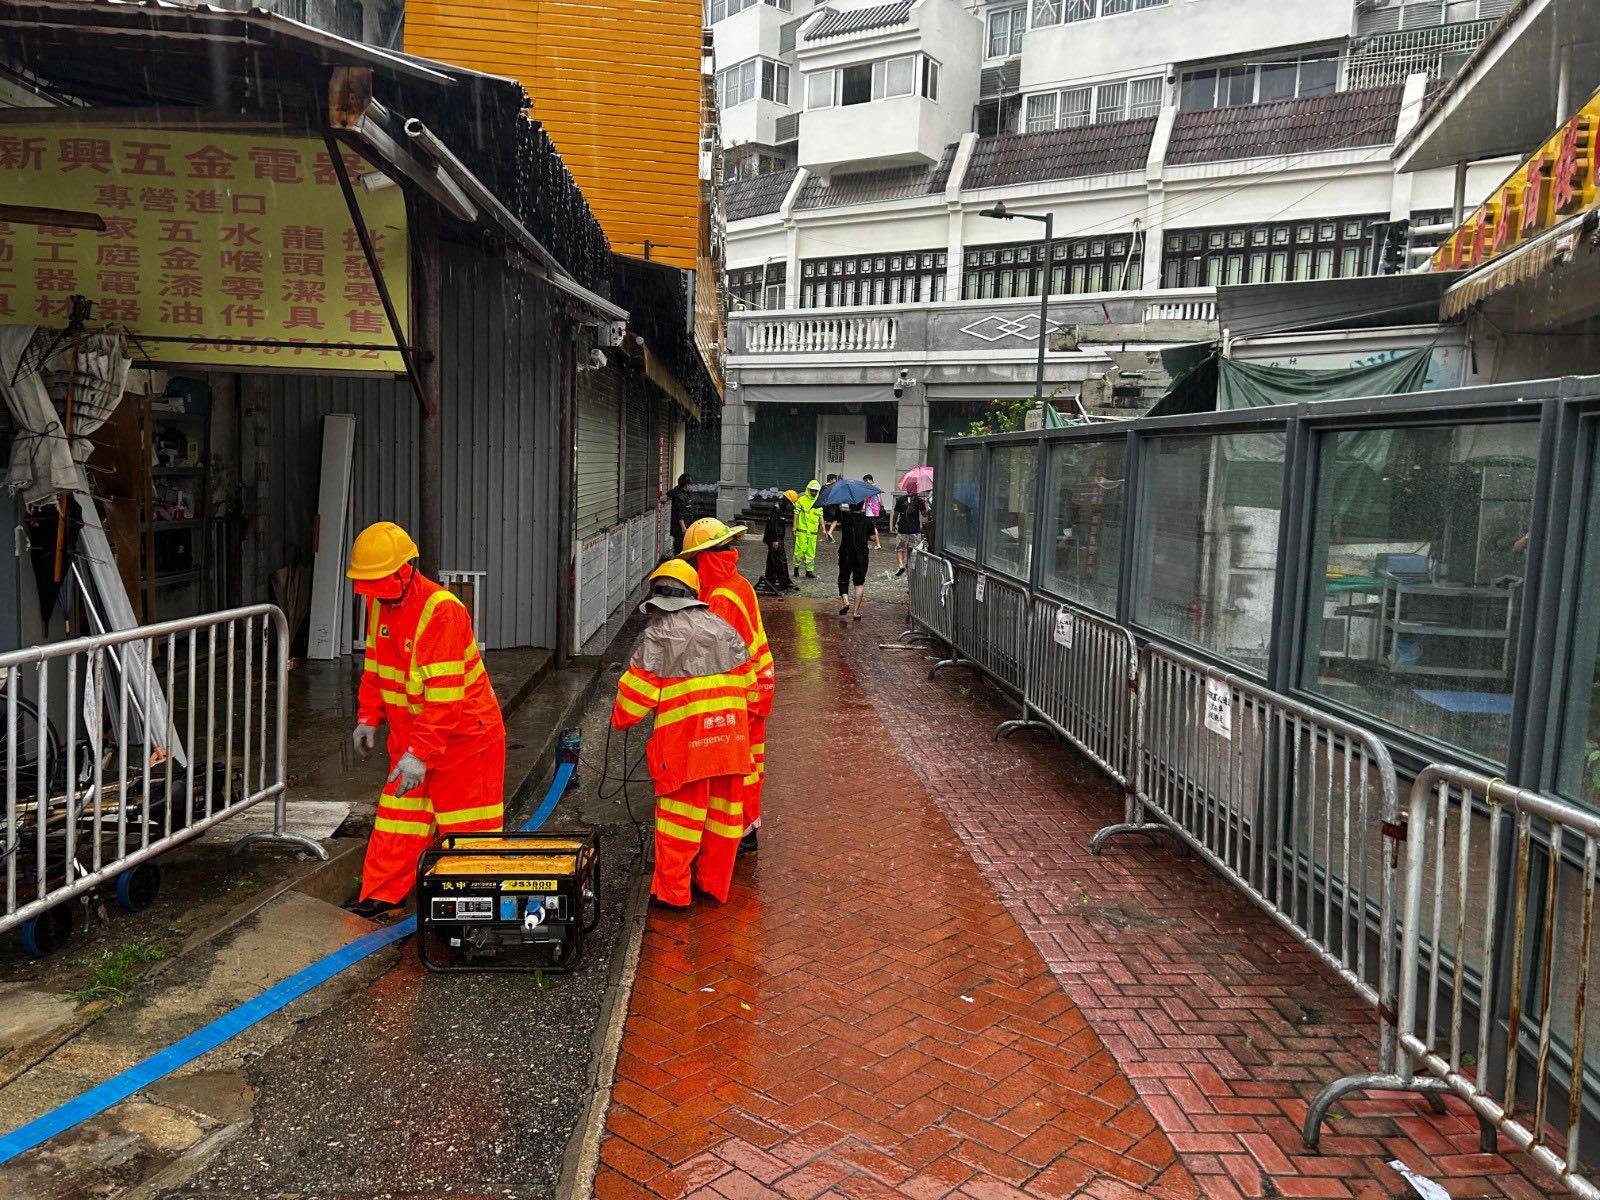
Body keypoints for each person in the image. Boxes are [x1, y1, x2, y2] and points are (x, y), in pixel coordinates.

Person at [345, 521, 506, 918]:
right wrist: (368, 715)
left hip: (466, 740)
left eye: (380, 581)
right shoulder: (379, 602)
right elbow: (375, 666)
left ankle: (472, 913)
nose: (373, 591)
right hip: (414, 736)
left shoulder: (442, 611)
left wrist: (419, 753)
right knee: (398, 819)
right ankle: (382, 896)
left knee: (468, 832)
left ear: (407, 570)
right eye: (368, 584)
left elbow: (446, 699)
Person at [610, 561, 753, 907]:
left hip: (686, 749)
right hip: (731, 743)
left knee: (679, 823)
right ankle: (713, 885)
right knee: (722, 820)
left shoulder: (659, 636)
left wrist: (620, 719)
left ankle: (673, 894)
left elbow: (631, 705)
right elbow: (749, 687)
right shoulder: (724, 628)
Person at [681, 517, 774, 855]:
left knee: (736, 767)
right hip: (757, 687)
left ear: (705, 558)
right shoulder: (739, 584)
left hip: (741, 694)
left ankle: (740, 833)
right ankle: (747, 827)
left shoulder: (721, 598)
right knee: (751, 762)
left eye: (695, 560)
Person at [836, 501, 874, 620]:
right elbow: (873, 537)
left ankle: (846, 602)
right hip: (861, 555)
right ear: (862, 506)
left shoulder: (845, 517)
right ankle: (855, 612)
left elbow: (834, 515)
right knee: (859, 583)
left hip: (846, 553)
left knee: (843, 579)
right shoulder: (867, 520)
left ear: (850, 506)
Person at [755, 490, 797, 596]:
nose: (790, 506)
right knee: (780, 560)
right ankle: (784, 582)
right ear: (787, 501)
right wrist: (775, 540)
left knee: (772, 559)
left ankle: (771, 579)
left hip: (777, 538)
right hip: (775, 539)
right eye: (790, 504)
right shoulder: (777, 508)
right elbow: (773, 525)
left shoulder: (781, 508)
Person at [892, 489, 929, 576]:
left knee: (900, 549)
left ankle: (901, 565)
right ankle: (909, 572)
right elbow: (925, 514)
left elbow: (895, 514)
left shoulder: (900, 499)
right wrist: (926, 504)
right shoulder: (919, 500)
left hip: (902, 529)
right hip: (914, 530)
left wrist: (893, 525)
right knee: (912, 551)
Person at [792, 479, 823, 578]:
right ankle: (796, 568)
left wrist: (823, 528)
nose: (814, 492)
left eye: (816, 491)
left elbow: (820, 516)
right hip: (802, 530)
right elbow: (796, 513)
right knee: (799, 550)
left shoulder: (818, 502)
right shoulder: (801, 500)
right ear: (808, 489)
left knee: (811, 552)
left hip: (813, 532)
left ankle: (809, 571)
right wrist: (794, 526)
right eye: (812, 490)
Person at [669, 474, 695, 555]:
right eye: (690, 484)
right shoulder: (678, 496)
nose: (692, 486)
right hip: (680, 527)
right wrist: (683, 528)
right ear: (686, 485)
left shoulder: (686, 493)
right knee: (680, 546)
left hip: (687, 522)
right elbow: (679, 513)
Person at [861, 475, 884, 550]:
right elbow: (880, 500)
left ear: (869, 480)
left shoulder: (870, 488)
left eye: (865, 481)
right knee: (868, 526)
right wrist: (881, 507)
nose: (865, 483)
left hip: (870, 511)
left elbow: (866, 500)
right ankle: (868, 543)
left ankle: (878, 544)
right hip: (875, 511)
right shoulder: (876, 488)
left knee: (873, 527)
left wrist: (863, 507)